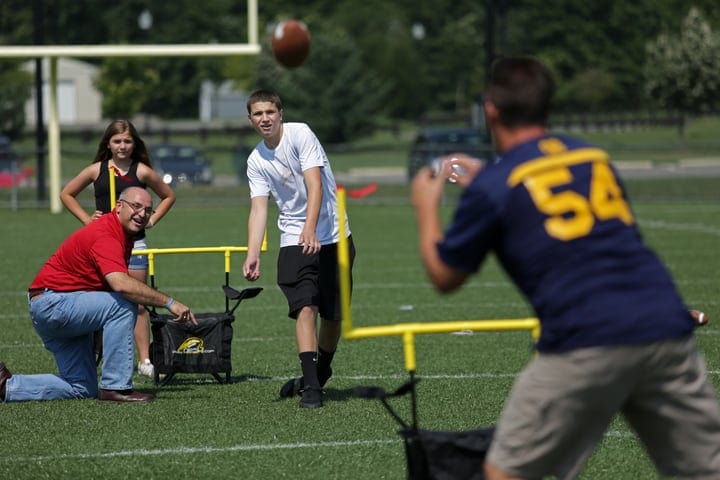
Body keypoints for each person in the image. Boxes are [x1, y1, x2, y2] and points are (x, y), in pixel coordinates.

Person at [410, 56, 720, 479]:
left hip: (586, 337)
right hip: (665, 325)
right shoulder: (592, 156)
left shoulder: (494, 186)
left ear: (491, 109)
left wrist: (426, 207)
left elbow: (444, 276)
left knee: (505, 474)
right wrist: (493, 178)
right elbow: (546, 186)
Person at [0, 187, 196, 403]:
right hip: (53, 303)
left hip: (55, 305)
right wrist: (170, 302)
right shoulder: (107, 234)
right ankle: (116, 387)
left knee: (82, 387)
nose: (142, 214)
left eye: (148, 210)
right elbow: (121, 285)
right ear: (119, 206)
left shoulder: (121, 234)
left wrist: (101, 332)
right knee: (123, 304)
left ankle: (6, 387)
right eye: (136, 206)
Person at [242, 90, 355, 409]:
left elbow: (315, 185)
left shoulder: (300, 133)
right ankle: (312, 388)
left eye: (269, 112)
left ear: (281, 113)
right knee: (305, 307)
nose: (264, 118)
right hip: (294, 238)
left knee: (333, 316)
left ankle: (319, 372)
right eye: (257, 114)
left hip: (333, 234)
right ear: (250, 119)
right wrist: (253, 252)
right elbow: (259, 209)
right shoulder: (255, 160)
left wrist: (311, 227)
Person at [60, 119, 176, 378]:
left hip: (135, 245)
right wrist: (86, 219)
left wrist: (152, 218)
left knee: (139, 301)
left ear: (134, 144)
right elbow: (67, 193)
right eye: (117, 141)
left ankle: (144, 360)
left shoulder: (142, 171)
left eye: (127, 141)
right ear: (108, 144)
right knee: (100, 302)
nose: (122, 146)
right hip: (101, 245)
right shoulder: (96, 170)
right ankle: (95, 357)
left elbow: (168, 195)